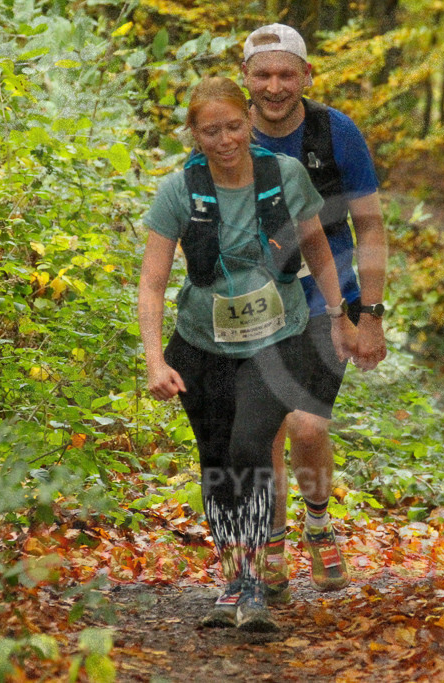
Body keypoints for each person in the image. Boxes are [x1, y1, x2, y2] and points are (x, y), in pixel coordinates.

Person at [137, 76, 356, 632]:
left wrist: (338, 315)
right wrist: (155, 361)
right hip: (201, 343)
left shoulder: (285, 175)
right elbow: (152, 283)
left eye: (234, 126)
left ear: (250, 121)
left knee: (250, 446)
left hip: (277, 341)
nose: (226, 140)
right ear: (194, 134)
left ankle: (255, 587)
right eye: (211, 131)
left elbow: (316, 246)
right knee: (216, 461)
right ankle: (233, 581)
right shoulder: (178, 190)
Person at [240, 24, 389, 600]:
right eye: (263, 75)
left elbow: (370, 225)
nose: (274, 87)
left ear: (306, 76)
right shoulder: (227, 132)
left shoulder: (336, 132)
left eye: (286, 74)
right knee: (267, 430)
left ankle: (320, 524)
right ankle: (273, 543)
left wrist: (371, 314)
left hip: (329, 299)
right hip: (253, 301)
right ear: (246, 78)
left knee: (308, 425)